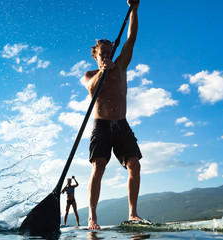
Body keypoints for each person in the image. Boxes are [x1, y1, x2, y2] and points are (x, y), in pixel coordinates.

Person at [84, 0, 142, 230]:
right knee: (98, 167)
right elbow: (91, 88)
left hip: (122, 124)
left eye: (109, 52)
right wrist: (103, 72)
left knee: (135, 165)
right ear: (96, 56)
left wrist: (134, 9)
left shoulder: (121, 66)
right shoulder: (90, 74)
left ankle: (133, 213)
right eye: (103, 54)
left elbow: (131, 38)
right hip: (101, 126)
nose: (107, 56)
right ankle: (92, 217)